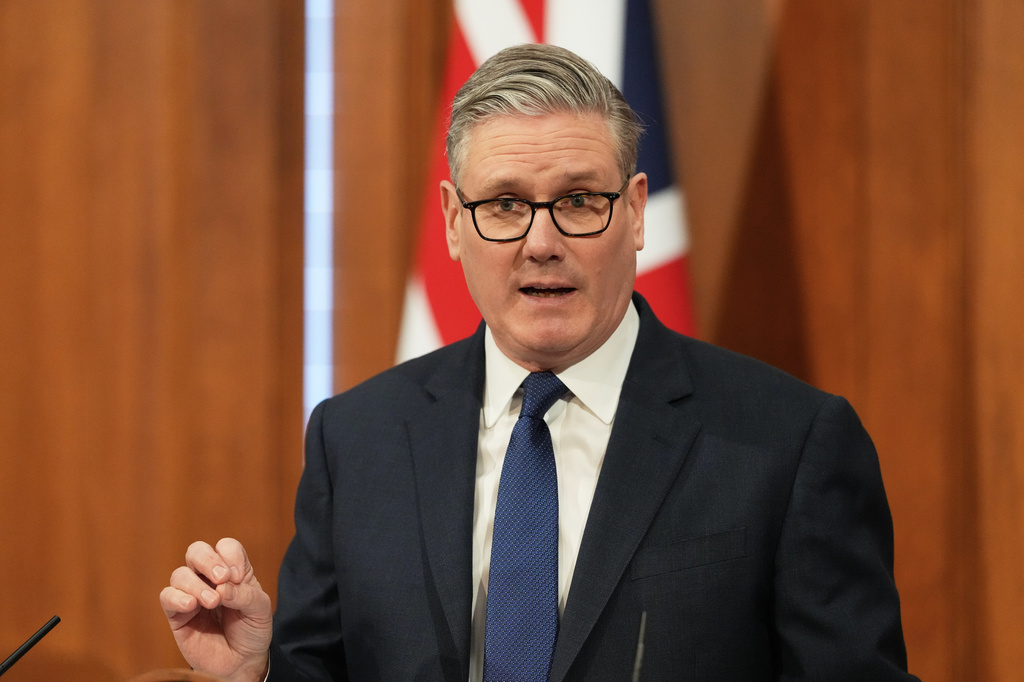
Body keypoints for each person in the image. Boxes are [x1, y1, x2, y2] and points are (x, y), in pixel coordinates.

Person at [160, 43, 918, 681]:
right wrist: (252, 677)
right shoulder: (356, 440)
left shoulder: (790, 444)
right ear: (455, 224)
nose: (541, 241)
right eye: (505, 205)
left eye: (580, 200)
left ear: (635, 211)